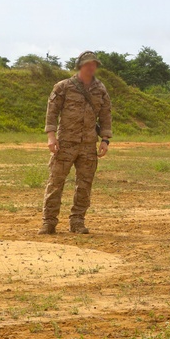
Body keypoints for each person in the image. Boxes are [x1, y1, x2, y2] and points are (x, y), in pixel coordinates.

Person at [39, 51, 112, 235]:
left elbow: (105, 115)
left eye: (94, 63)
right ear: (80, 65)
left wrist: (105, 140)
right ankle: (49, 222)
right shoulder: (63, 87)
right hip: (65, 143)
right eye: (88, 63)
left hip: (88, 144)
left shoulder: (100, 89)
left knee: (84, 185)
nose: (91, 66)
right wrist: (51, 136)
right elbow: (52, 112)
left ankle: (77, 221)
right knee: (55, 183)